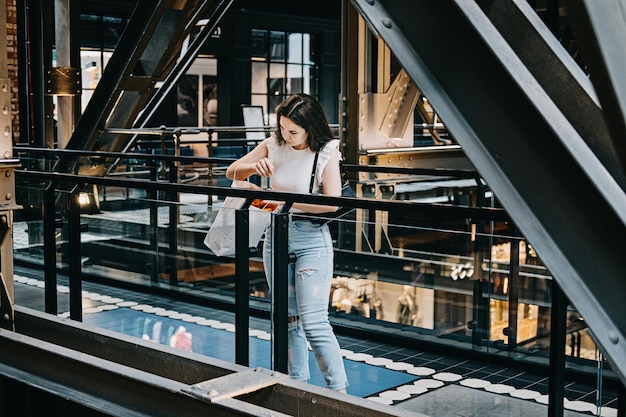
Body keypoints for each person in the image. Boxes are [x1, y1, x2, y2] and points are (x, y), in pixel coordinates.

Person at [225, 93, 348, 393]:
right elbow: (231, 172)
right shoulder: (273, 145)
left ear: (310, 128)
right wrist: (255, 168)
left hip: (311, 240)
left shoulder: (326, 151)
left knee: (315, 322)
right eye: (282, 128)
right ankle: (296, 388)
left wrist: (284, 204)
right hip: (276, 237)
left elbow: (332, 204)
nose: (286, 135)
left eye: (293, 131)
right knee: (287, 319)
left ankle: (340, 395)